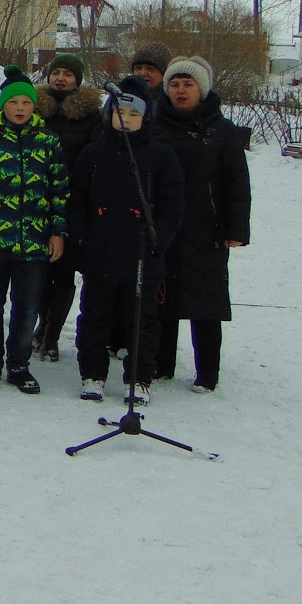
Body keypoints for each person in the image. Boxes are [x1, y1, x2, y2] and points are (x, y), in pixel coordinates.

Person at [69, 75, 184, 404]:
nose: (127, 120)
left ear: (145, 118)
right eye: (121, 113)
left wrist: (158, 239)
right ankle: (93, 374)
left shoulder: (162, 156)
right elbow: (76, 199)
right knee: (94, 315)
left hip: (142, 253)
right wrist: (82, 236)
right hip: (101, 249)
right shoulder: (93, 154)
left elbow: (174, 205)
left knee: (142, 321)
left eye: (134, 115)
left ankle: (140, 378)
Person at [0, 76, 68, 394]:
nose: (19, 108)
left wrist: (57, 233)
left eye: (26, 103)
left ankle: (19, 365)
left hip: (34, 243)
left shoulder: (48, 141)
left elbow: (59, 192)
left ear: (34, 106)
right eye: (13, 102)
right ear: (2, 105)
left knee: (28, 306)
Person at [153, 56, 251, 393]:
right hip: (166, 226)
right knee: (163, 296)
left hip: (207, 229)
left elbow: (237, 182)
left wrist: (237, 229)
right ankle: (161, 365)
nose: (181, 91)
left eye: (188, 84)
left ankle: (207, 373)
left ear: (202, 89)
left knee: (205, 303)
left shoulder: (221, 130)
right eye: (175, 85)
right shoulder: (155, 126)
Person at [31, 52, 103, 361]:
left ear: (78, 80)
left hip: (71, 203)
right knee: (37, 269)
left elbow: (93, 160)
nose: (61, 78)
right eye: (56, 72)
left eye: (68, 74)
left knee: (62, 271)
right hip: (34, 201)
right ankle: (39, 323)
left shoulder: (91, 116)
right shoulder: (33, 108)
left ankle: (52, 334)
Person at [129, 41, 172, 112]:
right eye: (138, 68)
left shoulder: (172, 103)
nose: (142, 73)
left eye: (150, 69)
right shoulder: (119, 97)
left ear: (164, 74)